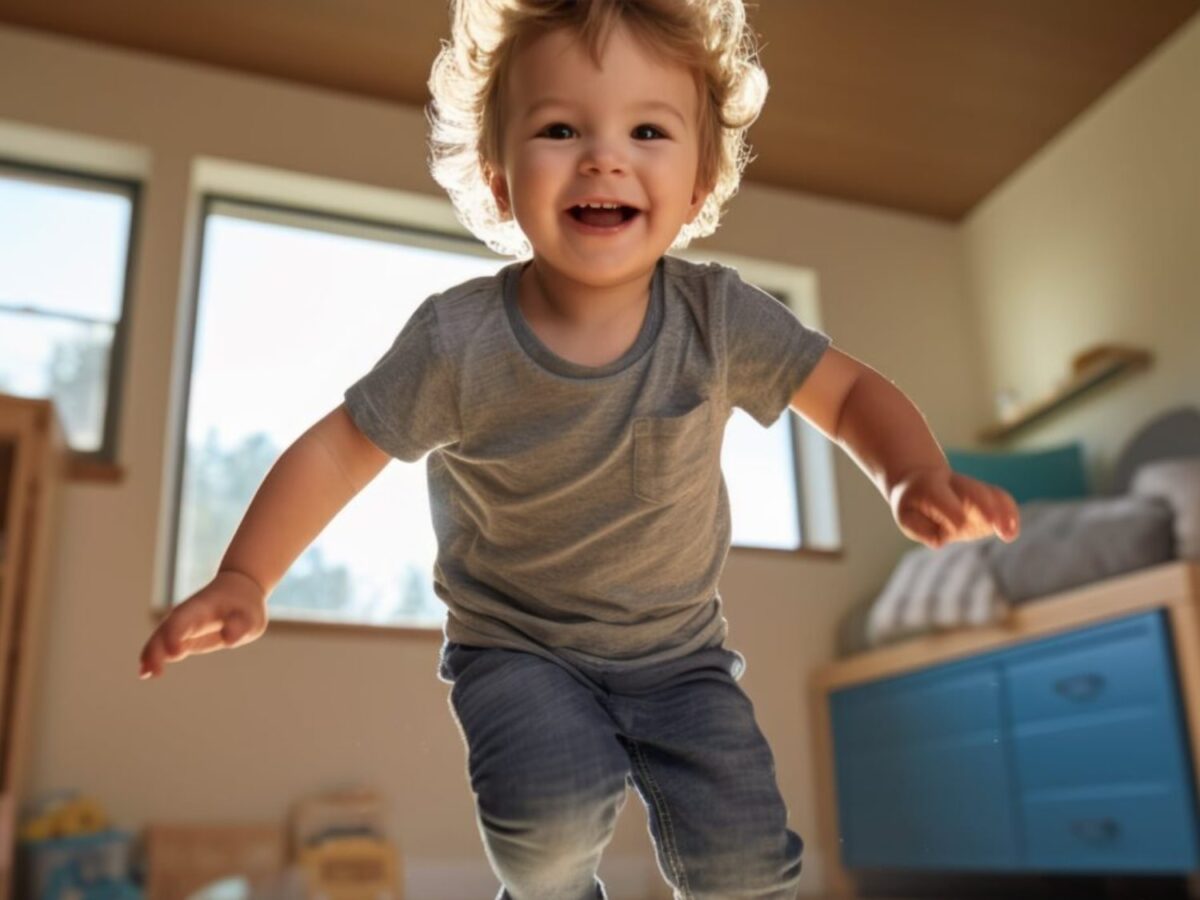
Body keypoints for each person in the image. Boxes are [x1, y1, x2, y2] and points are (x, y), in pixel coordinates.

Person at [139, 1, 1021, 897]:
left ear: (699, 181)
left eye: (648, 130)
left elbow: (849, 393)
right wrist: (245, 575)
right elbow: (337, 453)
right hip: (518, 647)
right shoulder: (457, 342)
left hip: (680, 656)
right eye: (560, 129)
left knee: (746, 861)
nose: (604, 157)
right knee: (547, 829)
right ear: (498, 179)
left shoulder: (718, 318)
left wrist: (911, 472)